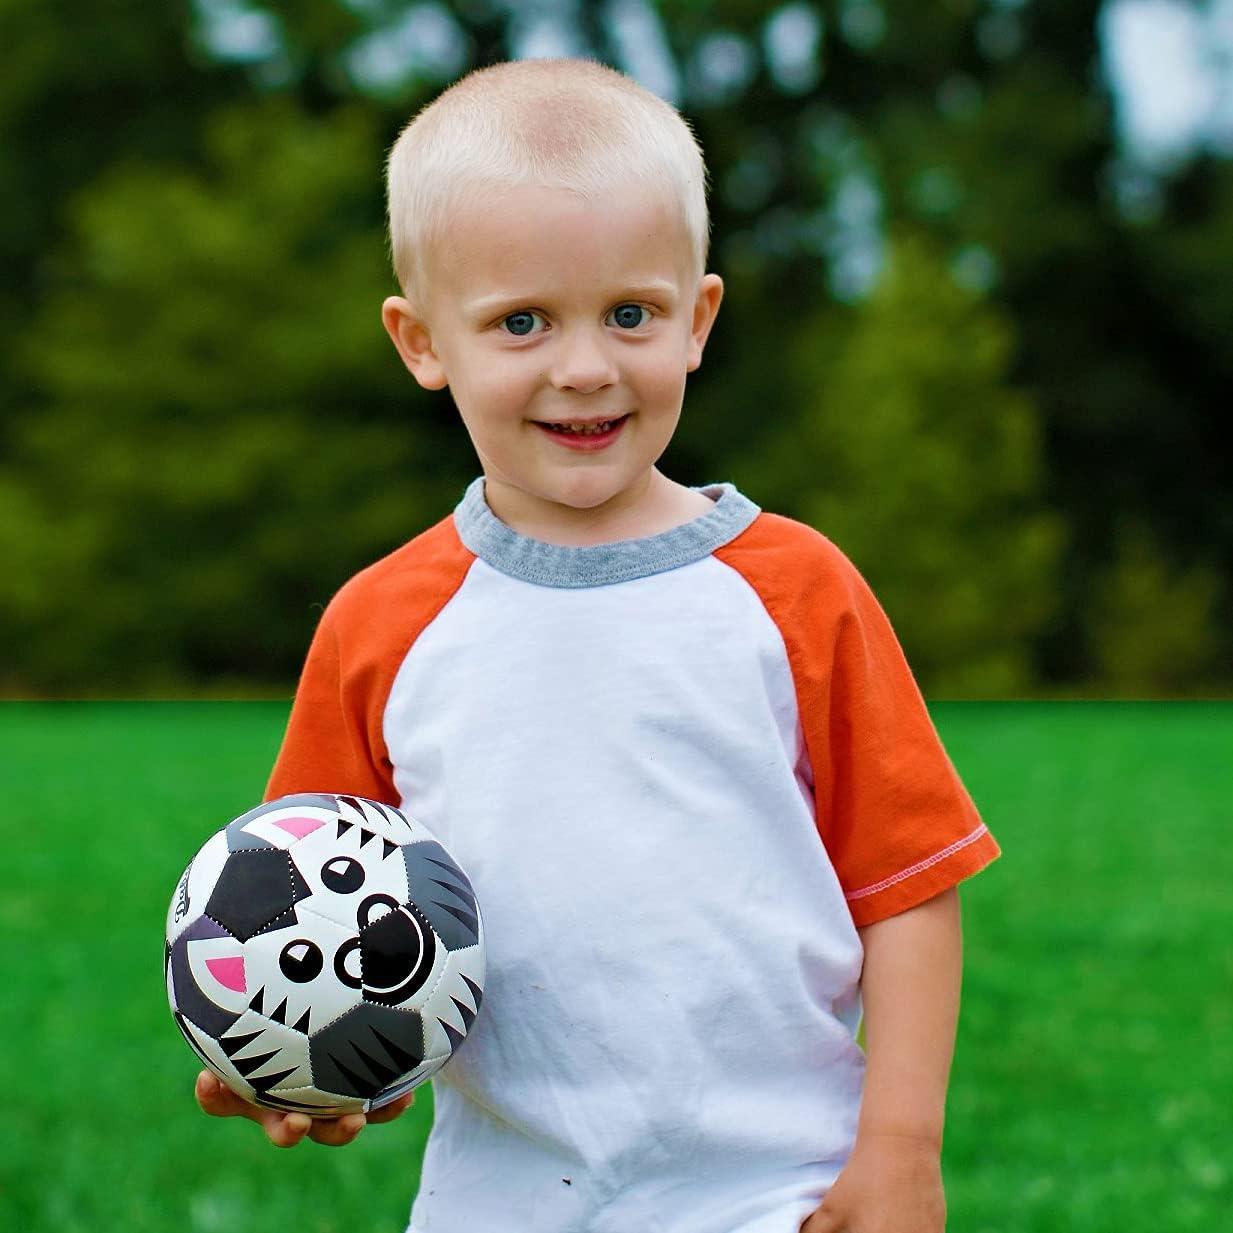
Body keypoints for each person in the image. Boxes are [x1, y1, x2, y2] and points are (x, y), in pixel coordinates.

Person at [196, 57, 1000, 1233]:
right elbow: (316, 910)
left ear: (697, 321)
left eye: (630, 313)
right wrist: (300, 1062)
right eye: (522, 322)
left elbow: (909, 889)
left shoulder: (793, 592)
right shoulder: (382, 625)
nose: (585, 366)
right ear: (422, 342)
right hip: (499, 1198)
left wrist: (899, 1147)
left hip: (781, 1188)